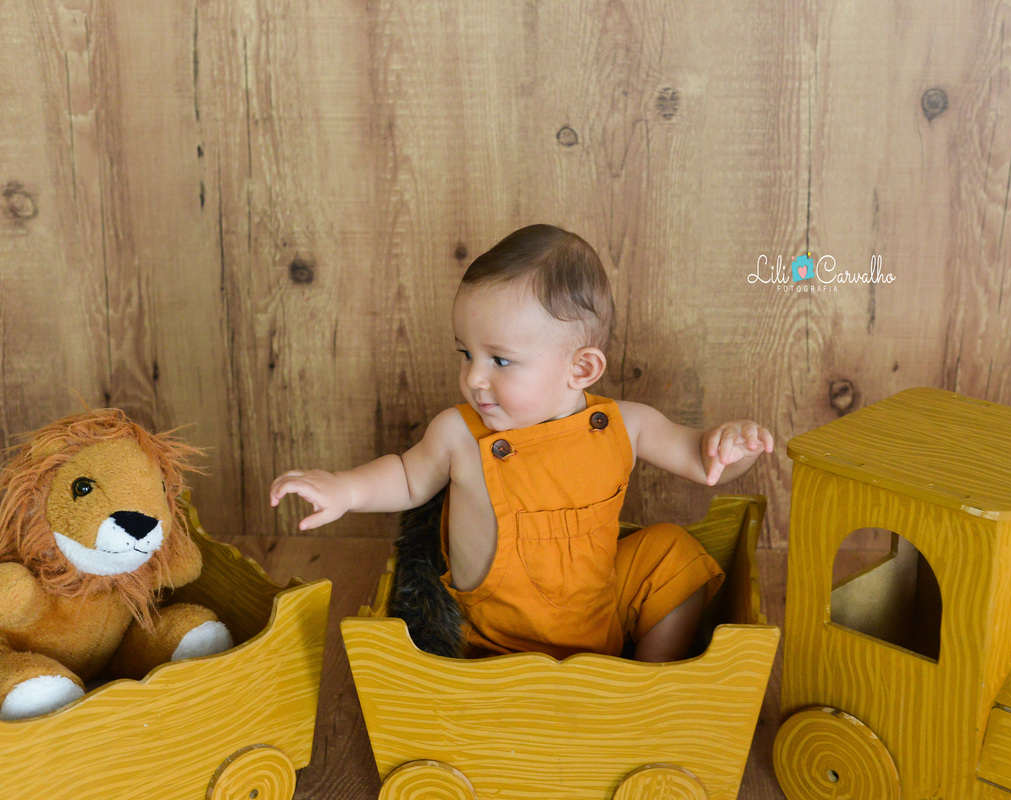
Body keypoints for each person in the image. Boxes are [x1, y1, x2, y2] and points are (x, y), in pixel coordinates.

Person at [269, 224, 774, 662]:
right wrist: (343, 490)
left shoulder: (625, 424)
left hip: (597, 613)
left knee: (673, 553)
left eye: (500, 361)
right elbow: (405, 477)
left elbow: (700, 461)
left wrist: (731, 447)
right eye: (466, 354)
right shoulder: (459, 433)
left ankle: (651, 675)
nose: (474, 378)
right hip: (497, 637)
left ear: (580, 368)